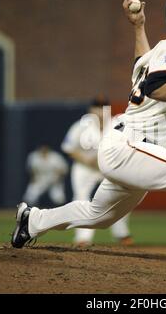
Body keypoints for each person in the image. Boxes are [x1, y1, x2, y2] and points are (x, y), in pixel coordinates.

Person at [11, 0, 166, 282]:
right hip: (130, 146)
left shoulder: (158, 53)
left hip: (128, 149)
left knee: (99, 215)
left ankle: (32, 220)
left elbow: (140, 66)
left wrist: (138, 26)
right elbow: (157, 86)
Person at [61, 97, 133, 246]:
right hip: (85, 168)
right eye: (97, 107)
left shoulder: (117, 125)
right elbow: (68, 148)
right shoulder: (81, 126)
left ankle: (122, 234)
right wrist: (85, 160)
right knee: (81, 199)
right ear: (90, 110)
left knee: (121, 197)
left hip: (109, 168)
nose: (100, 111)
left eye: (104, 107)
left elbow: (128, 145)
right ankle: (83, 238)